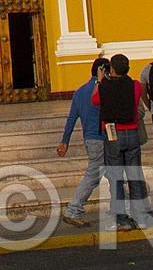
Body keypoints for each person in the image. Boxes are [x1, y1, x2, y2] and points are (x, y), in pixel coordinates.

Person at [92, 52, 147, 230]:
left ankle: (121, 217)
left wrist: (100, 80)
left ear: (112, 68)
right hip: (131, 132)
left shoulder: (104, 86)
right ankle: (140, 216)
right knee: (135, 175)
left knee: (116, 176)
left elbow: (94, 100)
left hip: (113, 132)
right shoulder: (135, 85)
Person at [57, 57, 108, 227]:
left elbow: (72, 118)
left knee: (114, 174)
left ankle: (123, 210)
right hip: (101, 138)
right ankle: (73, 209)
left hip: (89, 138)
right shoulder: (102, 89)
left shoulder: (79, 92)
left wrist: (65, 140)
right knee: (93, 175)